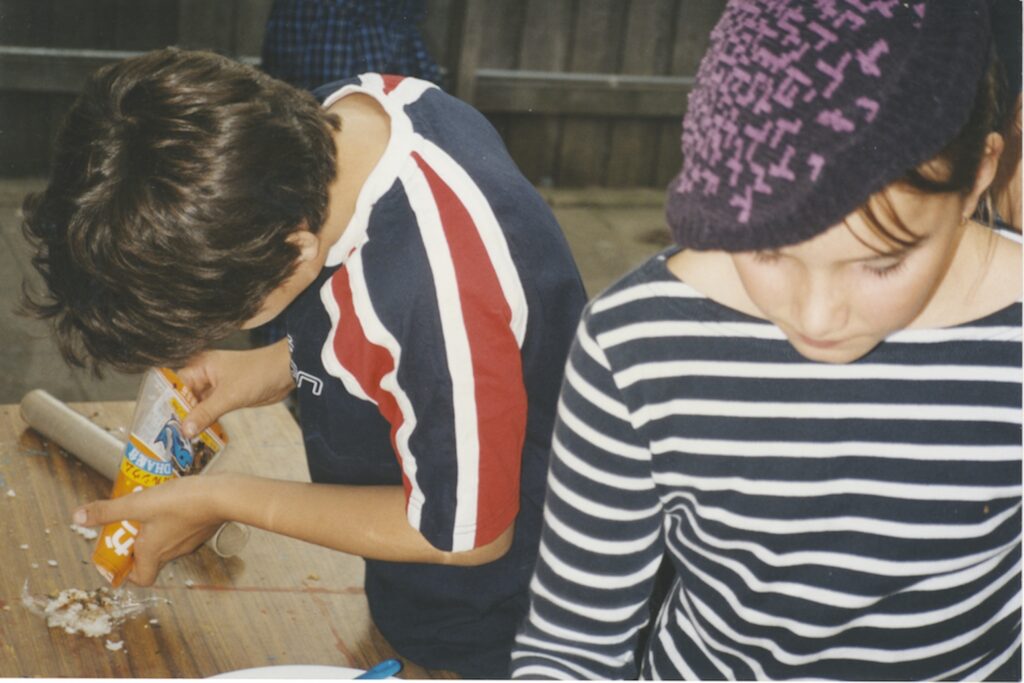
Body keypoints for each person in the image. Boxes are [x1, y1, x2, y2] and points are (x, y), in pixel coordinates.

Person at [20, 48, 587, 678]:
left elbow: (465, 533)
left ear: (293, 254)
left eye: (229, 322)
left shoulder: (439, 291)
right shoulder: (342, 120)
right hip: (419, 563)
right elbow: (389, 329)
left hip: (508, 618)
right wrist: (280, 360)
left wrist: (223, 499)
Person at [511, 1, 1021, 680]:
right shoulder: (635, 343)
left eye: (881, 263)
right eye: (768, 252)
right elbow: (573, 645)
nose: (817, 314)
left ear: (980, 175)